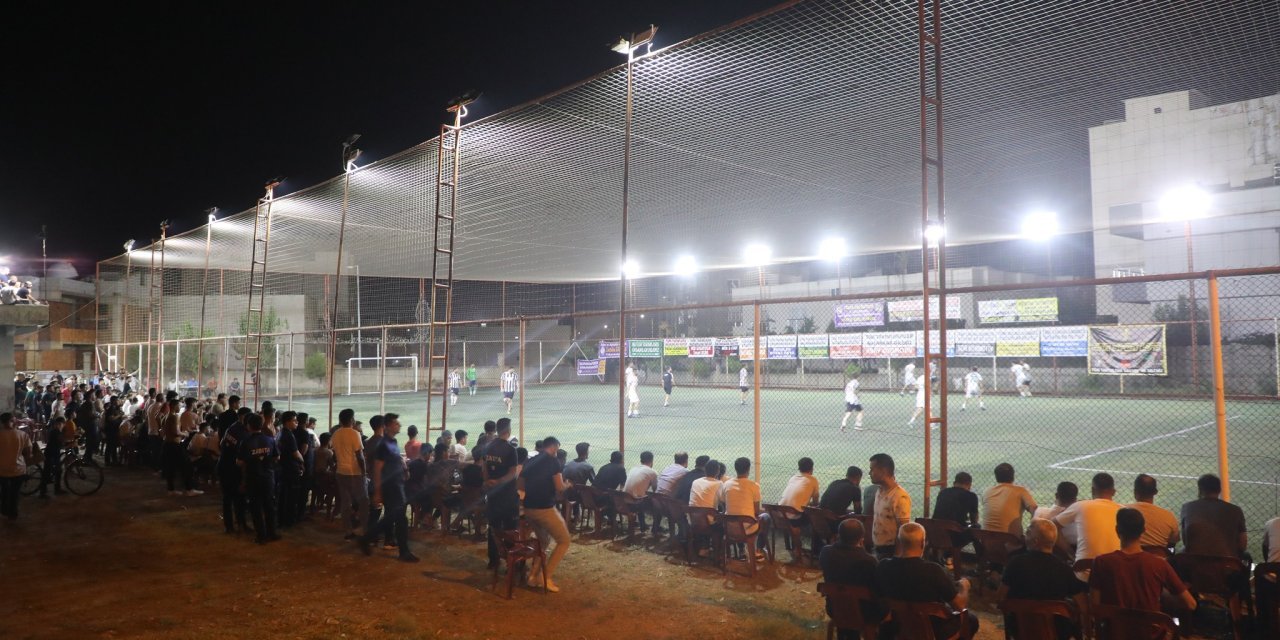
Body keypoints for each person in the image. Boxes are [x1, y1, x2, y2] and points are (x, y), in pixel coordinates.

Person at [876, 522, 978, 639]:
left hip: (895, 627)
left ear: (899, 542)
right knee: (971, 620)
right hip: (932, 630)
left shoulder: (883, 566)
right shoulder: (933, 570)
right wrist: (964, 587)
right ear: (923, 543)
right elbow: (959, 606)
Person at [1090, 508, 1196, 614]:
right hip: (1151, 629)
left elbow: (1095, 606)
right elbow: (1191, 604)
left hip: (1113, 630)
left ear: (1117, 530)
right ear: (1143, 530)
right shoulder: (1159, 564)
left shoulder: (1101, 562)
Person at [999, 519, 1087, 640]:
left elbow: (1000, 597)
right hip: (1057, 631)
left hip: (1020, 629)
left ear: (1035, 542)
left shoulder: (1015, 563)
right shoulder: (1064, 569)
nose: (1024, 535)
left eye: (1028, 532)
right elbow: (1082, 605)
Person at [361, 413, 416, 562]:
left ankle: (367, 538)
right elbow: (378, 469)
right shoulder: (383, 445)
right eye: (395, 423)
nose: (399, 425)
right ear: (387, 426)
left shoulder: (393, 441)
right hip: (390, 487)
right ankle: (403, 551)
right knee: (400, 519)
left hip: (397, 485)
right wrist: (378, 492)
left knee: (394, 518)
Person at [519, 435, 570, 592]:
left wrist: (525, 496)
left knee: (544, 541)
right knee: (564, 540)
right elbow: (559, 487)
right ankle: (545, 577)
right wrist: (568, 484)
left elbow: (519, 481)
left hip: (529, 508)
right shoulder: (554, 461)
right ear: (554, 447)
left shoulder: (531, 460)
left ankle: (532, 576)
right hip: (545, 508)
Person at [819, 518, 884, 637]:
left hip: (835, 608)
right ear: (861, 539)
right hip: (864, 612)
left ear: (839, 535)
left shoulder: (825, 552)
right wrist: (862, 551)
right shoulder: (869, 561)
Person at [1053, 473, 1123, 580]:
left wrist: (1069, 552)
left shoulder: (1081, 505)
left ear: (1092, 490)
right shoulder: (1123, 511)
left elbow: (1052, 526)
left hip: (1084, 574)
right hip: (1114, 574)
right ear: (1114, 492)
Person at [482, 418, 519, 570]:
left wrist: (488, 481)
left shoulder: (488, 446)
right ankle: (511, 560)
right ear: (508, 431)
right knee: (510, 527)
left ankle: (493, 560)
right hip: (507, 495)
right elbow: (512, 474)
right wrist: (498, 481)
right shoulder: (511, 450)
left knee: (494, 526)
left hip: (492, 494)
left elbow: (484, 467)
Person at [1180, 473, 1247, 559]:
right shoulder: (1236, 510)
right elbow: (1243, 545)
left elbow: (1186, 541)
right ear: (1219, 490)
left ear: (1200, 490)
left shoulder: (1187, 507)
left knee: (1181, 552)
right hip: (1227, 566)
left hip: (1195, 565)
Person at [238, 414, 280, 544]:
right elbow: (277, 457)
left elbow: (240, 462)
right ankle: (272, 533)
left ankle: (261, 535)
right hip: (268, 477)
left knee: (255, 508)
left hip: (253, 478)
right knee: (269, 506)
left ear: (249, 426)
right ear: (261, 426)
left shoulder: (245, 442)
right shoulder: (270, 439)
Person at [720, 457, 770, 559]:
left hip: (728, 527)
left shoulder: (726, 484)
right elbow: (756, 511)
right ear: (748, 469)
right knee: (766, 517)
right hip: (747, 528)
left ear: (735, 469)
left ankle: (742, 549)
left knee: (737, 516)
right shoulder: (754, 486)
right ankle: (759, 549)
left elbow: (723, 503)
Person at [330, 408, 369, 540]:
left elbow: (335, 454)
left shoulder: (335, 434)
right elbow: (360, 456)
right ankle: (365, 530)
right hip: (354, 473)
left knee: (345, 503)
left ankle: (348, 531)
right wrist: (364, 472)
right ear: (352, 419)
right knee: (363, 501)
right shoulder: (355, 434)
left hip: (341, 472)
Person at [869, 453, 911, 558]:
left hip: (890, 551)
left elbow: (902, 530)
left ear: (883, 471)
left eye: (872, 469)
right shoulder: (879, 491)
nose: (870, 473)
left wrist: (896, 557)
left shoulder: (900, 496)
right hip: (878, 548)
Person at [981, 463, 1037, 536]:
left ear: (996, 477)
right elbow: (1035, 510)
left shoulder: (987, 491)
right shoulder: (1020, 490)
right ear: (1013, 476)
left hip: (986, 542)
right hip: (1011, 543)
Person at [1126, 474, 1179, 550]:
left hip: (1127, 558)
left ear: (1135, 491)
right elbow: (1172, 544)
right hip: (1159, 559)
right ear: (1155, 492)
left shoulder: (1122, 511)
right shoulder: (1169, 516)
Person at [162, 398, 201, 496]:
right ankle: (189, 489)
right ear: (174, 406)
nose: (180, 407)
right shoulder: (174, 417)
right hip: (174, 445)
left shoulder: (167, 416)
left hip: (168, 444)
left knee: (171, 468)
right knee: (187, 466)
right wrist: (185, 434)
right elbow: (176, 432)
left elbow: (163, 430)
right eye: (179, 405)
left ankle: (171, 490)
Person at [0, 413, 34, 520]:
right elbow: (29, 453)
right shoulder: (22, 435)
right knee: (15, 492)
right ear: (13, 421)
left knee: (4, 490)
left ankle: (4, 509)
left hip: (2, 469)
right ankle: (13, 512)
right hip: (18, 469)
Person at [276, 411, 305, 528]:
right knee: (291, 496)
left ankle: (281, 519)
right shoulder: (289, 435)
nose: (297, 422)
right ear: (287, 422)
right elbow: (296, 453)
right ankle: (289, 521)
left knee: (283, 496)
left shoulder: (280, 433)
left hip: (282, 468)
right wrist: (302, 462)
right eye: (294, 420)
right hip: (290, 469)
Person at [623, 450, 659, 532]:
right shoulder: (652, 472)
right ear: (652, 461)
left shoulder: (633, 468)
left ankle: (643, 525)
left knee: (640, 496)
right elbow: (655, 490)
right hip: (634, 503)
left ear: (640, 460)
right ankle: (655, 528)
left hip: (623, 501)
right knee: (656, 502)